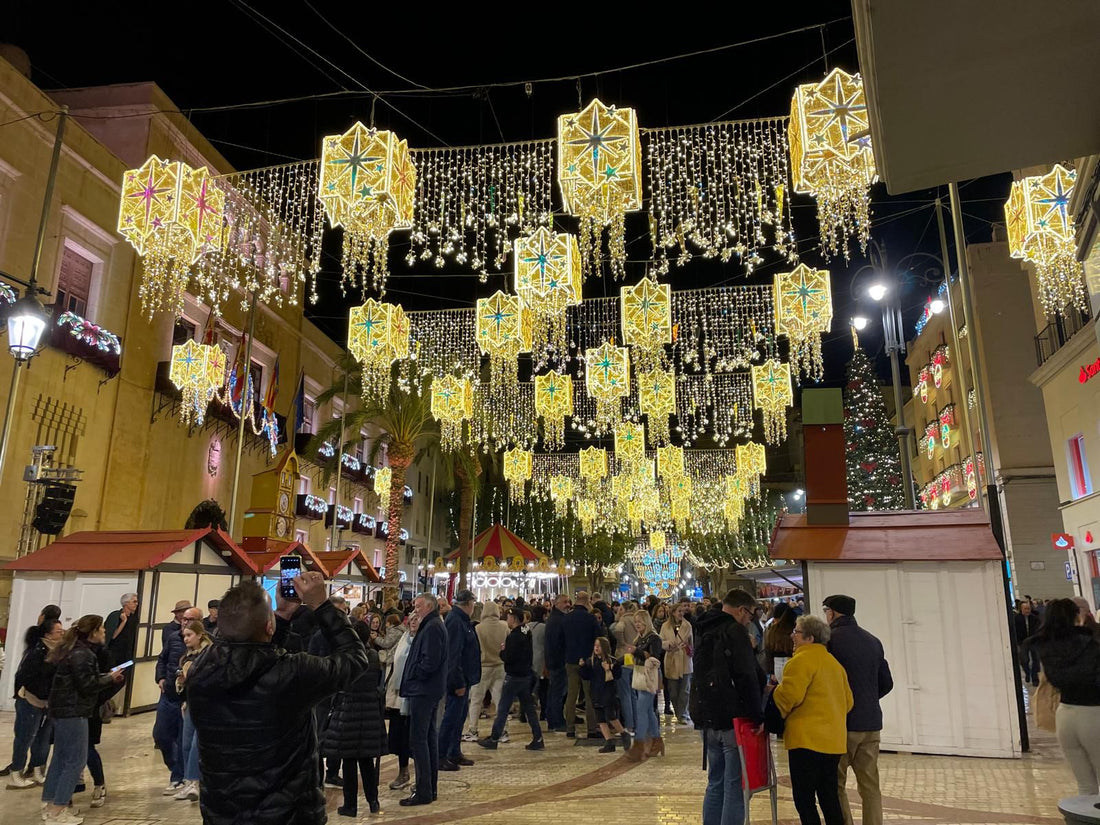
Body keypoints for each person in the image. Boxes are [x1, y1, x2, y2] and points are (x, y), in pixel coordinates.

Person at [186, 573, 367, 825]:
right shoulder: (293, 673)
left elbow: (251, 659)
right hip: (288, 814)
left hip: (223, 812)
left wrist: (280, 618)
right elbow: (354, 660)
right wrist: (322, 606)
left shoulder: (199, 673)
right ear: (268, 627)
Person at [690, 589, 767, 825]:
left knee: (715, 782)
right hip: (732, 717)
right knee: (734, 785)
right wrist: (757, 714)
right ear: (742, 609)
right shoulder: (734, 631)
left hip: (707, 715)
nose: (750, 619)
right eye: (751, 614)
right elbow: (746, 675)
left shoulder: (703, 627)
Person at [769, 615, 854, 825]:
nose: (792, 636)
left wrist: (773, 700)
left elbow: (789, 697)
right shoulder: (834, 664)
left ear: (809, 637)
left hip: (806, 741)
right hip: (833, 742)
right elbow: (849, 702)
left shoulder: (800, 661)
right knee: (829, 796)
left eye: (796, 632)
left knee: (805, 799)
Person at [41, 615, 125, 825]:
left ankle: (50, 804)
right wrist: (110, 678)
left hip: (63, 711)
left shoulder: (72, 650)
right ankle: (58, 810)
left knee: (60, 758)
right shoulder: (83, 654)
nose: (105, 632)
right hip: (73, 712)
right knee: (75, 761)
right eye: (102, 629)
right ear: (93, 632)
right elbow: (86, 685)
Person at [823, 595, 893, 825]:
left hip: (841, 725)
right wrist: (869, 699)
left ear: (832, 613)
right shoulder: (873, 641)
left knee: (836, 784)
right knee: (870, 786)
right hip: (871, 723)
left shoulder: (829, 641)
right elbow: (887, 682)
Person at [1025, 598, 1100, 794]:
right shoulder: (1090, 645)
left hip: (1065, 715)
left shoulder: (1047, 646)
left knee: (1085, 785)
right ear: (1077, 616)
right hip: (1093, 714)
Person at [323, 624, 386, 817]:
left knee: (349, 762)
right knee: (366, 761)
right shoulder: (373, 657)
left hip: (348, 712)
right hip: (369, 714)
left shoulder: (347, 658)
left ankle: (350, 805)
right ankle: (373, 801)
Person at [398, 593, 448, 807]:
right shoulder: (431, 625)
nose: (415, 609)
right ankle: (429, 788)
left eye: (418, 606)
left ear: (429, 606)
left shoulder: (433, 627)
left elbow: (430, 661)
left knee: (419, 740)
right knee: (427, 739)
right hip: (426, 689)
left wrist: (414, 674)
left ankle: (424, 790)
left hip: (424, 691)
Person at [476, 607, 544, 750]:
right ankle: (538, 738)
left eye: (508, 617)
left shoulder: (514, 636)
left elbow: (508, 657)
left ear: (513, 619)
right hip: (526, 676)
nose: (507, 619)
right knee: (529, 709)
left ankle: (494, 738)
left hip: (514, 677)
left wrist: (503, 651)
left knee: (502, 709)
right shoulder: (526, 631)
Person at [7, 618, 62, 788]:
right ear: (48, 634)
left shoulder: (58, 652)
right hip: (31, 700)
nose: (62, 633)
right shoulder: (37, 652)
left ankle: (38, 770)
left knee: (43, 738)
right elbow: (28, 678)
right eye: (58, 631)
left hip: (47, 702)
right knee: (25, 737)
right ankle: (16, 771)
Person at [154, 604, 200, 795]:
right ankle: (176, 769)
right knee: (161, 735)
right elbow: (162, 659)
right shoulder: (173, 638)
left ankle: (181, 778)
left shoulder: (206, 646)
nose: (184, 622)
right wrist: (161, 677)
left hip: (187, 699)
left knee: (185, 741)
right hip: (168, 696)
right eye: (183, 619)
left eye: (189, 619)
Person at [439, 590, 481, 771]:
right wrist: (458, 682)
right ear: (468, 604)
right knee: (451, 719)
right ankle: (441, 755)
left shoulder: (463, 621)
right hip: (458, 681)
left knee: (459, 718)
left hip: (466, 678)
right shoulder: (456, 622)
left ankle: (454, 752)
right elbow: (453, 655)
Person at [172, 619, 212, 804]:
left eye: (189, 635)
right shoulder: (185, 657)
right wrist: (180, 682)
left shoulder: (210, 654)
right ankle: (189, 782)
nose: (186, 639)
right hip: (189, 703)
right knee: (186, 743)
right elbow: (183, 682)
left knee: (197, 743)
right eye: (184, 636)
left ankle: (195, 782)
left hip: (206, 703)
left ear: (199, 635)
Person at [463, 600, 506, 742]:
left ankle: (473, 729)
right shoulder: (504, 626)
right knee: (499, 700)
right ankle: (502, 731)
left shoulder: (478, 628)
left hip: (483, 667)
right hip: (500, 666)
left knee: (476, 699)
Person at [579, 637, 631, 753]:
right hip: (596, 693)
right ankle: (609, 741)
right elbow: (586, 676)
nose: (596, 648)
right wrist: (582, 667)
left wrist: (611, 669)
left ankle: (623, 733)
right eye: (595, 645)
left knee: (611, 717)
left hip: (608, 693)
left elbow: (617, 675)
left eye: (599, 646)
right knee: (600, 719)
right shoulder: (591, 661)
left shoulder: (611, 661)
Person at [563, 591, 601, 740]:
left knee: (571, 695)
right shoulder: (590, 618)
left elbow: (562, 640)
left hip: (570, 660)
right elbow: (598, 638)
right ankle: (591, 729)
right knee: (589, 695)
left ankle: (570, 728)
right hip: (587, 661)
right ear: (587, 601)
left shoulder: (566, 619)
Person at [627, 610, 664, 760]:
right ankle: (656, 740)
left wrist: (638, 652)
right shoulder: (639, 639)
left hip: (650, 677)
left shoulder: (654, 638)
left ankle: (639, 744)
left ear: (646, 622)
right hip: (639, 675)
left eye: (640, 622)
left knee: (641, 710)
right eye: (635, 622)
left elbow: (654, 658)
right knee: (647, 711)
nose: (637, 625)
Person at [661, 602, 694, 724]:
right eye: (679, 611)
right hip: (671, 658)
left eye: (682, 611)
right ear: (673, 613)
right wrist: (668, 644)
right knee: (673, 691)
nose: (681, 613)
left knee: (685, 690)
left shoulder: (688, 626)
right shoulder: (665, 626)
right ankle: (678, 711)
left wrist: (688, 647)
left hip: (685, 659)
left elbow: (691, 643)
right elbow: (661, 641)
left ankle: (683, 714)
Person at [609, 602, 639, 732]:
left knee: (625, 694)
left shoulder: (624, 620)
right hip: (635, 658)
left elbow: (617, 630)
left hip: (624, 657)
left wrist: (622, 643)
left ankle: (629, 724)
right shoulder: (638, 619)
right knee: (633, 694)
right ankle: (637, 722)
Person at [544, 593, 570, 732]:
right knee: (557, 692)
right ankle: (556, 721)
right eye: (564, 602)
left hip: (555, 661)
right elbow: (555, 643)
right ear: (556, 603)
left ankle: (553, 718)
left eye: (568, 601)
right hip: (558, 662)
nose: (567, 604)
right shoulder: (557, 620)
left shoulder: (556, 618)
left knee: (555, 691)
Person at [103, 593, 139, 667]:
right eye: (134, 602)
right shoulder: (115, 616)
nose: (136, 604)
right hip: (115, 653)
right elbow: (112, 636)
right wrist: (123, 622)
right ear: (126, 603)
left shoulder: (135, 618)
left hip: (128, 654)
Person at [764, 603, 796, 677]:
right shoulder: (793, 629)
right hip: (792, 661)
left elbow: (768, 650)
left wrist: (771, 672)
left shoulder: (772, 630)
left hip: (777, 665)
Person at [1014, 600, 1041, 687]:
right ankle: (1027, 672)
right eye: (1025, 609)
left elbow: (1038, 630)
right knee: (1024, 660)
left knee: (1036, 659)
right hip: (1022, 642)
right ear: (1021, 609)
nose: (1027, 611)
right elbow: (1015, 632)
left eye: (1028, 608)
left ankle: (1035, 678)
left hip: (1033, 641)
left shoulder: (1035, 618)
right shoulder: (1016, 619)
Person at [528, 605, 548, 721]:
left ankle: (524, 712)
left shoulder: (527, 627)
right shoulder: (544, 628)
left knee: (527, 688)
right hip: (541, 661)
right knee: (543, 688)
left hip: (529, 661)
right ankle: (543, 712)